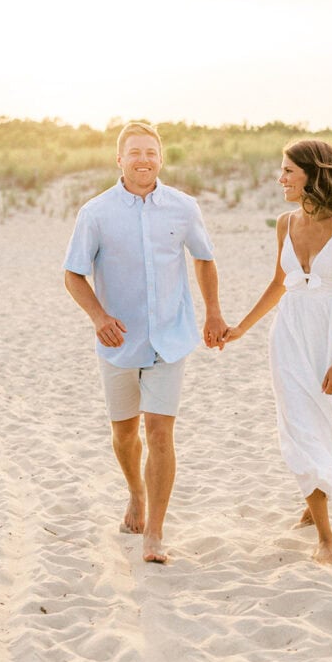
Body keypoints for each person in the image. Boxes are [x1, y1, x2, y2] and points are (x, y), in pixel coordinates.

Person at [223, 139, 332, 565]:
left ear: (312, 175)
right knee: (299, 425)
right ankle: (325, 536)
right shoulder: (284, 223)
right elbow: (279, 283)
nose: (279, 179)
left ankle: (313, 499)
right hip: (289, 337)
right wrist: (240, 328)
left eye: (288, 172)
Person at [64, 121, 227, 564]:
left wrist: (212, 312)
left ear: (161, 158)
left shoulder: (183, 207)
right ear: (120, 159)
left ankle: (154, 532)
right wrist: (98, 318)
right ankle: (135, 491)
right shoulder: (95, 213)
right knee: (123, 435)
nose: (143, 160)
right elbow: (73, 274)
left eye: (150, 153)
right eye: (134, 152)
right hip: (119, 340)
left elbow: (205, 260)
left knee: (159, 432)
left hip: (171, 338)